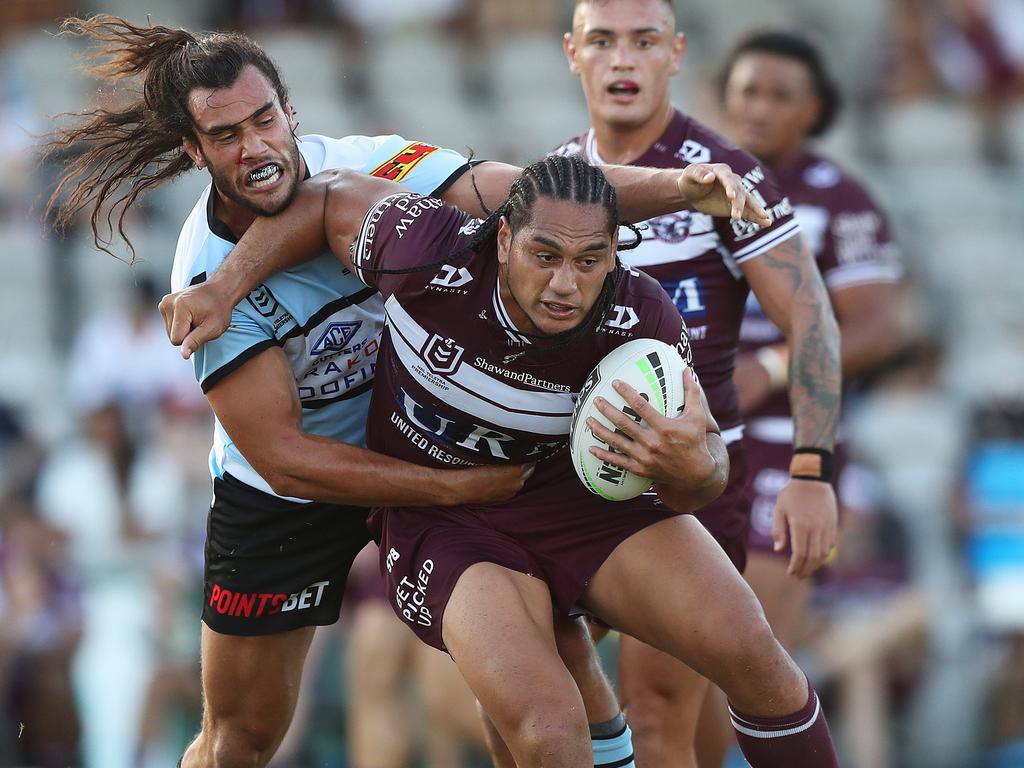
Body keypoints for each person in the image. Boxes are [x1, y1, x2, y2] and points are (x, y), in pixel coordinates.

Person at [45, 15, 767, 768]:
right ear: (194, 151)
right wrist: (451, 489)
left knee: (537, 671)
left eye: (265, 120)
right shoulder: (202, 281)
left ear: (291, 111)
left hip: (432, 443)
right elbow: (289, 459)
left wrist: (681, 187)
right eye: (227, 136)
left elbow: (523, 198)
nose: (256, 147)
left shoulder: (371, 167)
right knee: (243, 738)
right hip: (293, 498)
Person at [162, 151, 841, 768]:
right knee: (550, 734)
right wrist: (222, 288)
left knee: (758, 656)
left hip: (575, 500)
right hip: (448, 520)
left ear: (614, 255)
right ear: (505, 236)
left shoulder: (641, 319)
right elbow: (324, 198)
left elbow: (705, 480)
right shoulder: (424, 247)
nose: (565, 286)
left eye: (589, 261)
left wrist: (692, 466)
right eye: (545, 255)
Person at [547, 2, 843, 765]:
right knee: (531, 701)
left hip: (694, 479)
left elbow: (811, 318)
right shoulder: (556, 179)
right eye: (604, 42)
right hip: (577, 479)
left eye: (643, 42)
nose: (623, 61)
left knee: (657, 710)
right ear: (572, 53)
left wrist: (811, 468)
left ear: (674, 54)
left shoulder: (726, 175)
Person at [695, 29, 905, 767]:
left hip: (791, 438)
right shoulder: (689, 186)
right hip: (692, 434)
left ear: (813, 109)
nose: (758, 107)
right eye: (748, 89)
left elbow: (876, 327)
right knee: (674, 667)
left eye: (780, 95)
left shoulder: (837, 199)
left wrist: (773, 365)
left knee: (750, 650)